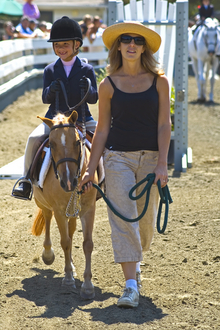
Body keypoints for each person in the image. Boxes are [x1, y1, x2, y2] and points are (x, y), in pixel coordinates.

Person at [79, 21, 171, 308]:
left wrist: (163, 164)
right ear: (118, 46)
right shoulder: (107, 85)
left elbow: (164, 124)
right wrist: (90, 169)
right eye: (126, 40)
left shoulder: (159, 81)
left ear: (144, 47)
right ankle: (130, 285)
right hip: (117, 157)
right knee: (122, 218)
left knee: (143, 226)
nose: (132, 44)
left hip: (151, 160)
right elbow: (103, 130)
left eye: (137, 41)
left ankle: (136, 264)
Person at [12, 16, 98, 199]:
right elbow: (45, 98)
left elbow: (94, 99)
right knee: (33, 138)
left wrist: (88, 89)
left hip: (82, 118)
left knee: (106, 140)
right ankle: (26, 181)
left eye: (65, 44)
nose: (60, 49)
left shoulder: (87, 70)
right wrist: (51, 89)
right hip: (54, 120)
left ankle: (110, 180)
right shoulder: (50, 70)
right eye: (57, 45)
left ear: (77, 44)